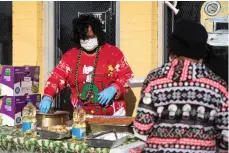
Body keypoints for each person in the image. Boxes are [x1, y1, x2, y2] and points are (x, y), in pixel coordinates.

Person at [134, 20, 228, 153]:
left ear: (172, 48)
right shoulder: (218, 86)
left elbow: (141, 127)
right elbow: (226, 136)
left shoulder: (154, 79)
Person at [39, 14, 133, 116]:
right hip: (82, 116)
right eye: (84, 38)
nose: (88, 40)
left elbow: (127, 76)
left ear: (98, 34)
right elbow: (56, 78)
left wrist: (115, 88)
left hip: (112, 115)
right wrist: (48, 96)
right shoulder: (70, 57)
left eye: (91, 37)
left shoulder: (113, 53)